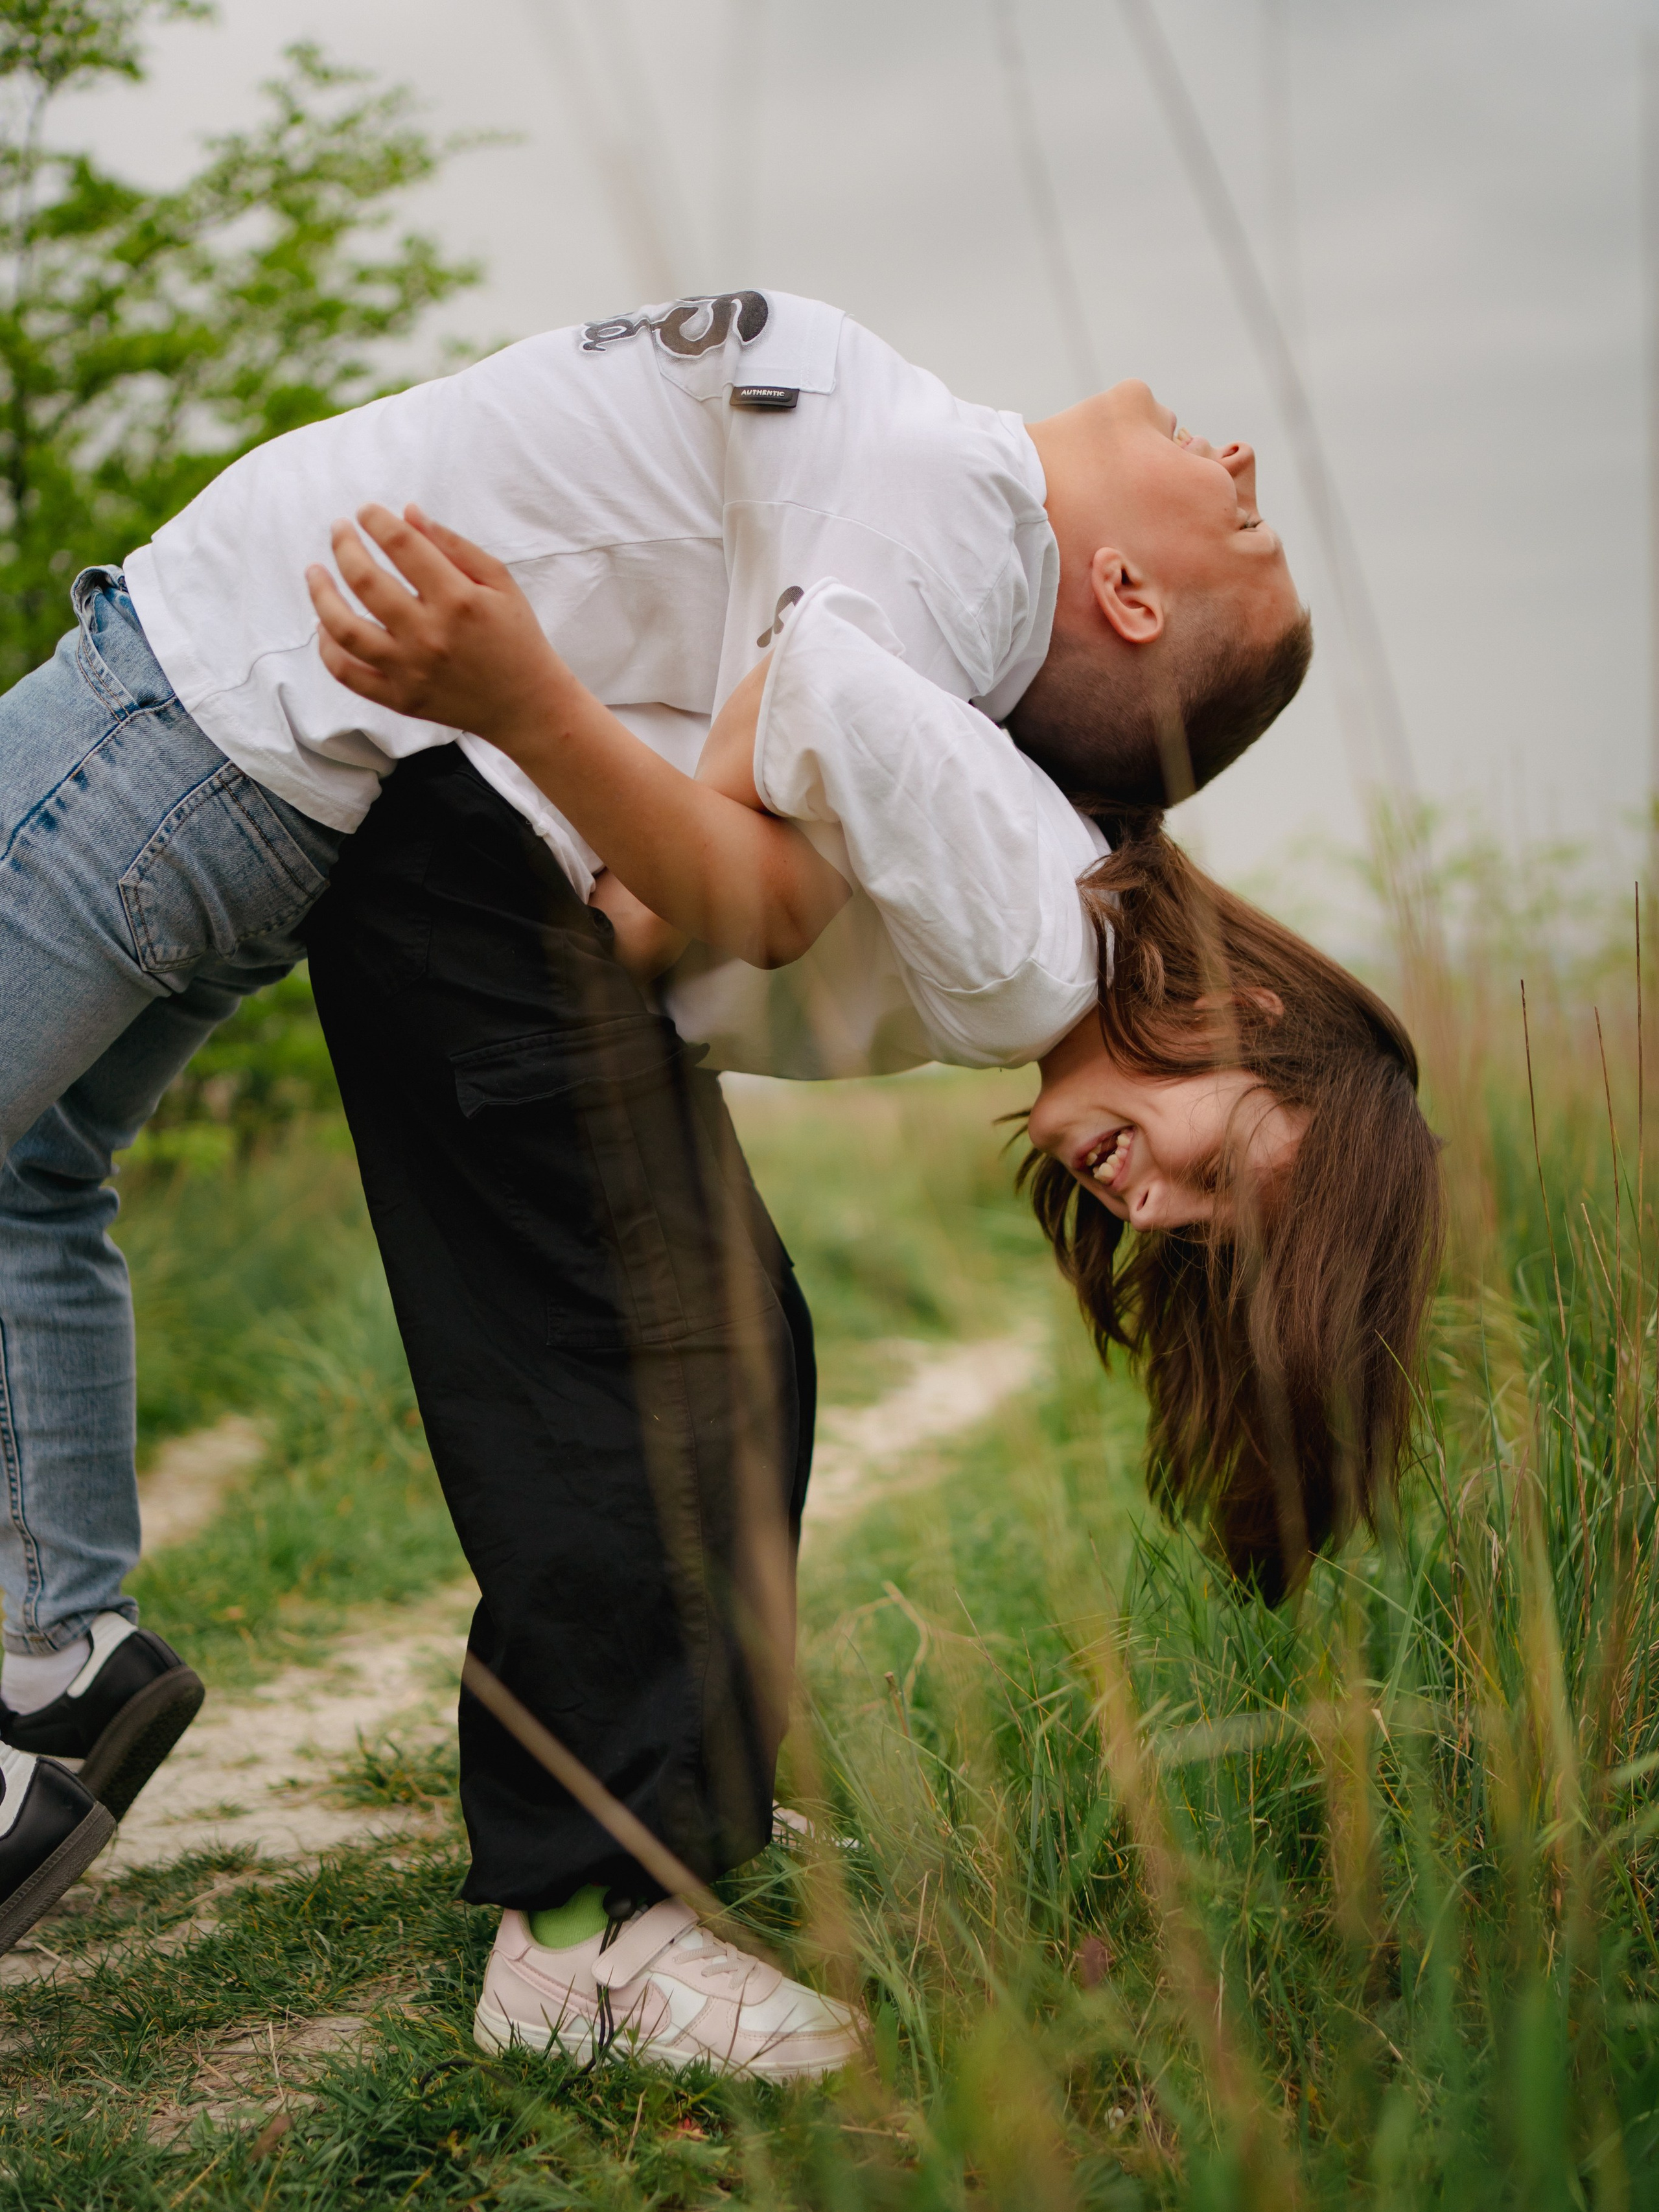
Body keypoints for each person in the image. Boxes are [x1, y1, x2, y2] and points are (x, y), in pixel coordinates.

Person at [0, 286, 1308, 1986]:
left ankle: (89, 1671)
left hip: (214, 702)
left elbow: (771, 872)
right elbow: (766, 807)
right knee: (36, 1172)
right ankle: (56, 1654)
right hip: (258, 714)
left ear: (1132, 597)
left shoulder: (966, 529)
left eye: (1245, 519)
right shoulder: (950, 523)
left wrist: (567, 737)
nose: (1236, 457)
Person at [290, 503, 1434, 2078]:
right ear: (1244, 1013)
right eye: (1215, 1172)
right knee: (646, 1388)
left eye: (1192, 1233)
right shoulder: (1036, 943)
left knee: (749, 1347)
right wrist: (653, 893)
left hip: (512, 899)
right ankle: (580, 1943)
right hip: (495, 887)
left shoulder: (1045, 958)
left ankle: (695, 1805)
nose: (1153, 1208)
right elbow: (818, 664)